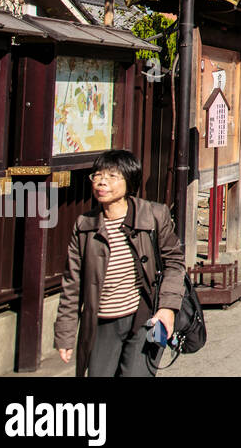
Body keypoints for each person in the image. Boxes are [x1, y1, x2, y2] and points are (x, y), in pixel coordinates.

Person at [54, 149, 185, 376]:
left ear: (129, 182)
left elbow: (174, 262)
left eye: (112, 177)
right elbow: (72, 284)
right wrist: (65, 334)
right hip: (101, 322)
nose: (102, 182)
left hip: (144, 317)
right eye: (97, 176)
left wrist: (167, 308)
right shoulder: (85, 225)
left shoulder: (154, 215)